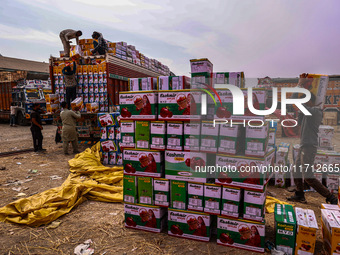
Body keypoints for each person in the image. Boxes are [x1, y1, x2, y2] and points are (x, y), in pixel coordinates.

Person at [288, 76, 338, 204]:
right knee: (297, 170)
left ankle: (330, 197)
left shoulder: (315, 112)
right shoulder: (308, 112)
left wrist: (299, 85)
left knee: (308, 176)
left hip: (309, 147)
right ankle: (299, 194)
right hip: (304, 145)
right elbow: (299, 119)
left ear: (309, 101)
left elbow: (294, 101)